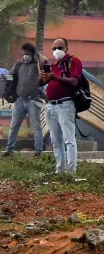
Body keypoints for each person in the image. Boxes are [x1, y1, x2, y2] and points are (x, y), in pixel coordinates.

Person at [42, 38, 83, 174]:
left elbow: (74, 81)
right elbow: (42, 83)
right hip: (51, 105)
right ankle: (60, 169)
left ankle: (71, 172)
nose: (57, 51)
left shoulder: (74, 61)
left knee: (68, 140)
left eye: (60, 47)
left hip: (65, 104)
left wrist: (55, 77)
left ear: (66, 48)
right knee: (55, 140)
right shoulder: (54, 65)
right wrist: (42, 78)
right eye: (54, 48)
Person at [5, 42, 45, 156]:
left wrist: (38, 55)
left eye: (27, 54)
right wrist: (5, 78)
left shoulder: (36, 66)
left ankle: (38, 151)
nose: (25, 56)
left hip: (33, 100)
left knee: (36, 127)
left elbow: (44, 64)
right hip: (19, 100)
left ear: (32, 54)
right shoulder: (19, 64)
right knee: (14, 126)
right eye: (23, 54)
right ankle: (9, 150)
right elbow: (10, 76)